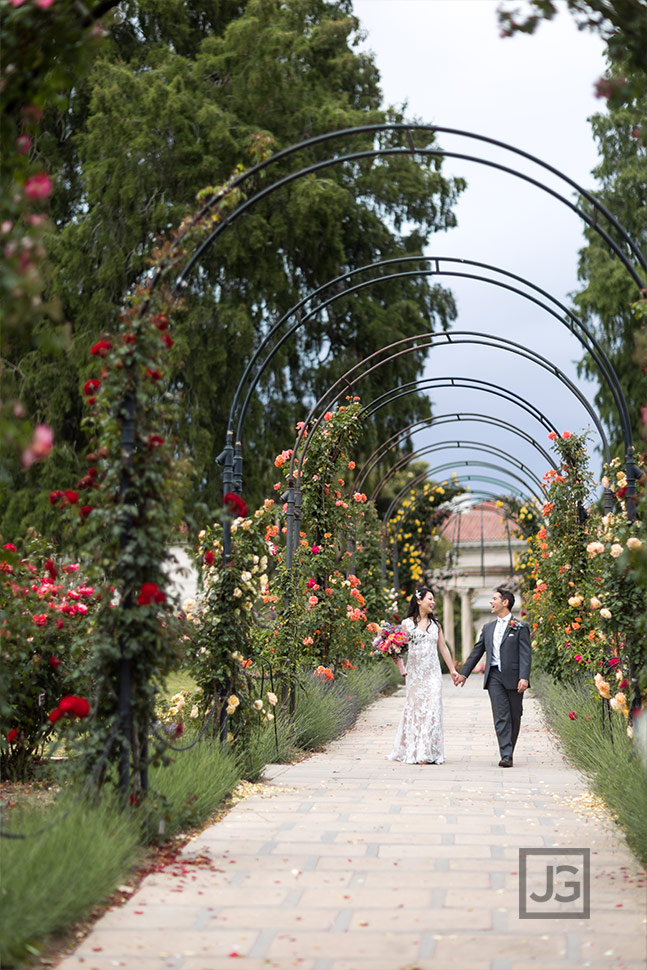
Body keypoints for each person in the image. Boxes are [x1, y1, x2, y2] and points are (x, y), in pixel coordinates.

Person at [455, 587, 531, 767]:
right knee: (501, 716)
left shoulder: (520, 626)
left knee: (514, 715)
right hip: (494, 676)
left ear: (505, 603)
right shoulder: (488, 628)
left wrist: (524, 677)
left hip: (514, 677)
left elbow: (525, 655)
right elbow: (477, 651)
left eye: (494, 598)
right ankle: (506, 754)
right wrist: (464, 673)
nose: (491, 601)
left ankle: (509, 749)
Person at [388, 586, 460, 765]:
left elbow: (442, 647)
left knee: (433, 709)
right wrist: (402, 670)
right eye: (430, 599)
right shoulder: (407, 624)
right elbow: (396, 649)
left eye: (434, 599)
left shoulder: (436, 625)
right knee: (416, 711)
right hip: (415, 675)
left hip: (433, 674)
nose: (433, 602)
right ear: (419, 601)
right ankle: (414, 749)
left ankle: (428, 751)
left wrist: (452, 670)